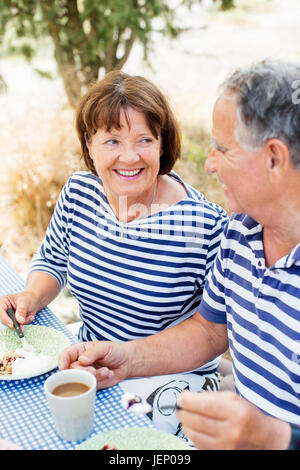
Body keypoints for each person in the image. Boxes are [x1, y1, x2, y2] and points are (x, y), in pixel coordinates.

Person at [58, 60, 300, 450]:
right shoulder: (241, 232)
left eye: (222, 149)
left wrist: (274, 438)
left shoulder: (212, 222)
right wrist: (125, 358)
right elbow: (208, 331)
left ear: (273, 157)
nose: (208, 164)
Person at [0, 70, 228, 438]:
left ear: (162, 145)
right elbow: (52, 261)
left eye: (144, 140)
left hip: (172, 380)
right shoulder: (79, 193)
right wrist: (31, 295)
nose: (129, 156)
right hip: (92, 357)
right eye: (111, 141)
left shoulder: (202, 224)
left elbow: (214, 331)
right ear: (89, 144)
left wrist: (129, 362)